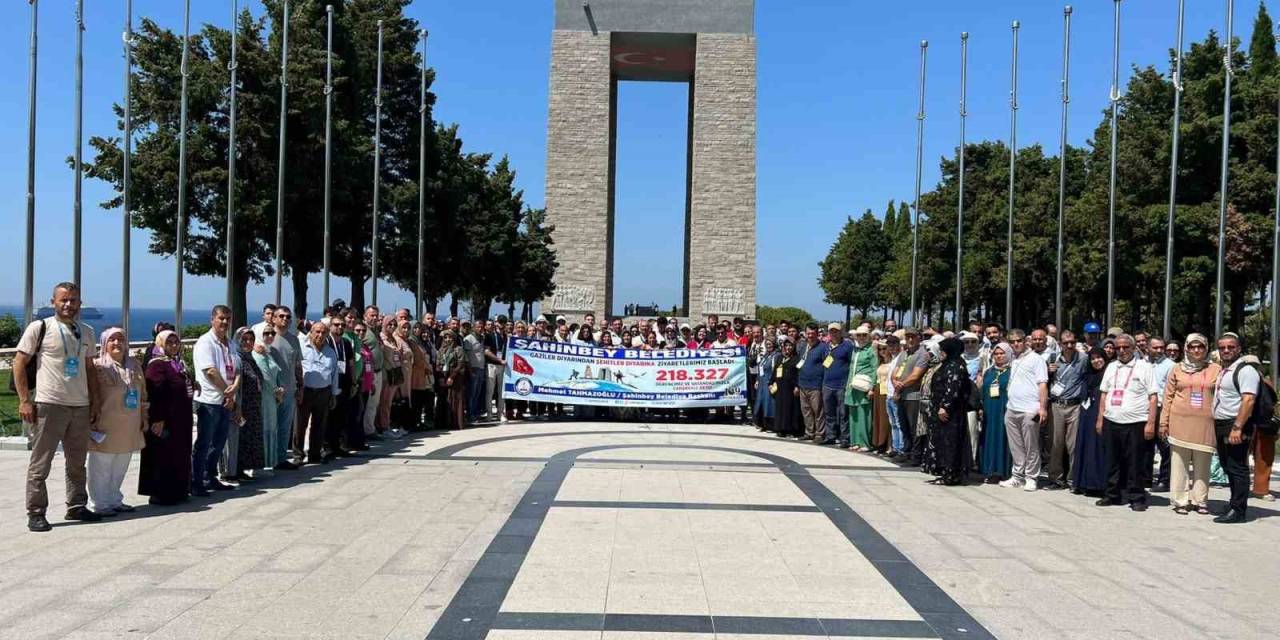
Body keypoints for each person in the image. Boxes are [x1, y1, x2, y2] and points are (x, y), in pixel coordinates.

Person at [16, 283, 102, 530]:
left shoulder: (86, 331)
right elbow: (19, 363)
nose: (68, 305)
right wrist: (24, 400)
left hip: (80, 405)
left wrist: (94, 401)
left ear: (79, 303)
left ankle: (76, 506)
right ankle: (36, 512)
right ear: (53, 301)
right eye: (63, 300)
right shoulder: (40, 328)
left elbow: (89, 369)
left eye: (73, 300)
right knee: (41, 462)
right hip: (49, 404)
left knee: (77, 462)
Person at [86, 327, 146, 516]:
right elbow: (89, 394)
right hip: (105, 423)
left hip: (129, 424)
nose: (117, 343)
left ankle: (114, 499)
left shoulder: (134, 365)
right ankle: (99, 503)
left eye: (120, 339)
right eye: (112, 340)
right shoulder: (97, 366)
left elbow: (142, 393)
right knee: (101, 465)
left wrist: (144, 416)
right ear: (104, 344)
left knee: (121, 464)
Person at [1094, 334, 1158, 511]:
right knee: (1112, 460)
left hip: (1136, 422)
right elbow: (1104, 394)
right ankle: (1112, 494)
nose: (1121, 351)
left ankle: (1136, 496)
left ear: (1133, 348)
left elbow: (1153, 397)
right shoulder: (1111, 367)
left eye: (1125, 347)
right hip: (1112, 420)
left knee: (1135, 462)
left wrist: (1151, 423)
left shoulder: (1144, 367)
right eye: (1118, 348)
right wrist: (1100, 419)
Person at [1159, 333, 1219, 515]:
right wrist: (1163, 423)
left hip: (1205, 424)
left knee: (1203, 464)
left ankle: (1200, 499)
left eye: (1200, 346)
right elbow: (1167, 397)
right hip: (1179, 422)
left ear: (1206, 348)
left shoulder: (1215, 369)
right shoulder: (1177, 369)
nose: (1196, 350)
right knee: (1179, 464)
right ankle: (1180, 500)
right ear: (1186, 348)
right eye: (1192, 346)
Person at [139, 330, 194, 506]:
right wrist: (158, 418)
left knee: (179, 454)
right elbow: (155, 392)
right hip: (165, 419)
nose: (173, 345)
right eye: (169, 342)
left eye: (176, 342)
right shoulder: (157, 365)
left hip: (181, 418)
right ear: (160, 344)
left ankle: (179, 490)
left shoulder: (176, 363)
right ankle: (161, 493)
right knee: (164, 456)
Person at [1211, 333, 1260, 523]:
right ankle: (1234, 502)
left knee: (1237, 467)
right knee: (1227, 465)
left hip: (1236, 423)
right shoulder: (1226, 370)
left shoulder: (1245, 370)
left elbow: (1248, 399)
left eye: (1230, 347)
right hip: (1223, 424)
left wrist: (1238, 427)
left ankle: (1238, 511)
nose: (1226, 350)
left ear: (1239, 349)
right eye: (1222, 347)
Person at [192, 305, 239, 496]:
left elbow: (237, 369)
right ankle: (197, 481)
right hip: (209, 400)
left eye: (228, 318)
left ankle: (210, 476)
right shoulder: (205, 342)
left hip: (225, 400)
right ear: (212, 319)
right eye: (221, 318)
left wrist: (233, 390)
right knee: (204, 443)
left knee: (219, 443)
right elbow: (210, 371)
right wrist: (228, 394)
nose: (225, 322)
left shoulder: (231, 343)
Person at [1001, 329, 1048, 492]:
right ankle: (1017, 476)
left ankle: (1031, 477)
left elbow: (1042, 384)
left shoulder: (1036, 359)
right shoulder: (1013, 359)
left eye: (1019, 340)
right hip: (1012, 408)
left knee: (1031, 445)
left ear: (1025, 341)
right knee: (1016, 446)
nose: (1016, 344)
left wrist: (1042, 408)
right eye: (1012, 341)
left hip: (1030, 409)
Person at [923, 338, 972, 485]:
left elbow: (953, 388)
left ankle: (951, 474)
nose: (941, 353)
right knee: (941, 442)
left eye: (944, 350)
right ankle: (944, 472)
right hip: (938, 411)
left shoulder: (956, 366)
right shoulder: (946, 365)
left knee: (951, 443)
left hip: (950, 413)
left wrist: (945, 406)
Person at [1046, 330, 1087, 489]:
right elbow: (1044, 381)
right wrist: (1049, 372)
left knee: (1073, 445)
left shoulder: (1083, 359)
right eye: (1065, 343)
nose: (1069, 345)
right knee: (1056, 444)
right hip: (1057, 405)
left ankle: (1073, 479)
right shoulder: (1053, 359)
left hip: (1075, 405)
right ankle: (1056, 478)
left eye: (1072, 342)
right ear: (1060, 343)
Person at [295, 321, 338, 466]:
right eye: (317, 332)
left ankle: (314, 454)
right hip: (306, 390)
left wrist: (333, 394)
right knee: (300, 424)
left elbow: (334, 374)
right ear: (311, 332)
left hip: (324, 391)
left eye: (323, 332)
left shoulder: (330, 352)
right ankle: (298, 454)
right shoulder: (302, 347)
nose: (320, 335)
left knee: (319, 424)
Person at [1071, 347, 1110, 495]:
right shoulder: (1087, 375)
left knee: (1098, 449)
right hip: (1086, 415)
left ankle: (1097, 484)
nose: (1096, 361)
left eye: (1099, 357)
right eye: (1093, 358)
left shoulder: (1109, 374)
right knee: (1084, 446)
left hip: (1101, 414)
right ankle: (1082, 482)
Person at [267, 306, 301, 470]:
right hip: (271, 391)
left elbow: (297, 365)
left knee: (284, 426)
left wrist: (300, 386)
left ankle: (281, 458)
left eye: (288, 317)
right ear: (273, 318)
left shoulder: (294, 339)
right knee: (270, 426)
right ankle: (269, 459)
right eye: (281, 316)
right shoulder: (267, 338)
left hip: (289, 390)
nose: (285, 319)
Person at [252, 325, 287, 469]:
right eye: (266, 333)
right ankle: (263, 463)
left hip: (272, 398)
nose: (270, 336)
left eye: (272, 333)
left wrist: (280, 389)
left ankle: (269, 462)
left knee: (272, 428)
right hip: (265, 397)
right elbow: (264, 376)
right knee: (265, 428)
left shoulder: (267, 352)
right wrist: (276, 391)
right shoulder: (258, 354)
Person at [232, 327, 265, 478]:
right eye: (244, 339)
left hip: (253, 406)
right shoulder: (236, 358)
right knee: (240, 438)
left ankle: (244, 468)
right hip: (242, 405)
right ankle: (235, 469)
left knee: (249, 437)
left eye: (251, 339)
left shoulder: (249, 358)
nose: (248, 342)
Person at [894, 327, 931, 465]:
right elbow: (895, 372)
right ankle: (907, 451)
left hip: (913, 396)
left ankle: (916, 454)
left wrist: (900, 384)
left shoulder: (922, 354)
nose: (910, 339)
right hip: (902, 394)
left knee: (914, 426)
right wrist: (895, 382)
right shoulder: (903, 353)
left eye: (913, 337)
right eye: (907, 336)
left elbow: (916, 375)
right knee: (903, 425)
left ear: (918, 338)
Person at [979, 342, 1013, 483]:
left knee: (1003, 439)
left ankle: (1003, 471)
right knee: (989, 438)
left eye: (1002, 353)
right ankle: (989, 470)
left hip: (1004, 409)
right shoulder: (989, 371)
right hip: (989, 410)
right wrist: (980, 407)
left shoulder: (1012, 371)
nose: (999, 356)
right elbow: (983, 390)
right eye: (996, 354)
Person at [1143, 337, 1175, 491]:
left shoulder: (1171, 366)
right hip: (1144, 409)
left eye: (1162, 347)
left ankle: (1164, 480)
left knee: (1165, 447)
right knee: (1145, 446)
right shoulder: (1141, 364)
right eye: (1155, 348)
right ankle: (1145, 478)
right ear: (1148, 348)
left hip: (1162, 409)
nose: (1159, 350)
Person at [844, 325, 877, 452]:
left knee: (864, 415)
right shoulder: (855, 350)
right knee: (854, 416)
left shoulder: (870, 350)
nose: (862, 337)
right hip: (852, 386)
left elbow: (874, 369)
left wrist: (872, 388)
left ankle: (864, 443)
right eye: (859, 335)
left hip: (864, 387)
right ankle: (855, 441)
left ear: (868, 336)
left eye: (864, 335)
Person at [796, 325, 828, 442]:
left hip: (816, 385)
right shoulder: (803, 346)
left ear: (816, 333)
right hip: (803, 384)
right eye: (808, 333)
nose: (810, 335)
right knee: (806, 411)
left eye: (813, 333)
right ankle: (809, 432)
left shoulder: (823, 347)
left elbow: (827, 364)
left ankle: (820, 433)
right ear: (805, 333)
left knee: (818, 411)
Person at [437, 330, 469, 430]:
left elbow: (461, 364)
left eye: (450, 337)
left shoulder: (458, 349)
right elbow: (438, 364)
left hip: (455, 377)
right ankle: (443, 423)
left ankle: (455, 423)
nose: (448, 339)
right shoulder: (441, 350)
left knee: (455, 399)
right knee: (444, 399)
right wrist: (441, 377)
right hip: (444, 375)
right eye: (445, 337)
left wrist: (452, 376)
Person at [772, 338, 803, 437]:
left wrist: (797, 386)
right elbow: (775, 371)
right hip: (780, 387)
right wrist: (770, 383)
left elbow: (799, 373)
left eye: (790, 346)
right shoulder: (780, 358)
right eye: (786, 346)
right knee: (780, 408)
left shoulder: (797, 358)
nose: (788, 348)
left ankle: (791, 429)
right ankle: (780, 428)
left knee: (790, 409)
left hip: (791, 388)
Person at [754, 338, 779, 432]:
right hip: (762, 383)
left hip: (769, 382)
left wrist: (773, 382)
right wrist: (757, 380)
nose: (768, 346)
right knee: (761, 403)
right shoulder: (765, 356)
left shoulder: (776, 355)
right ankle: (762, 423)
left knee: (770, 404)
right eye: (767, 344)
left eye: (770, 344)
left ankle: (771, 425)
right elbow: (760, 368)